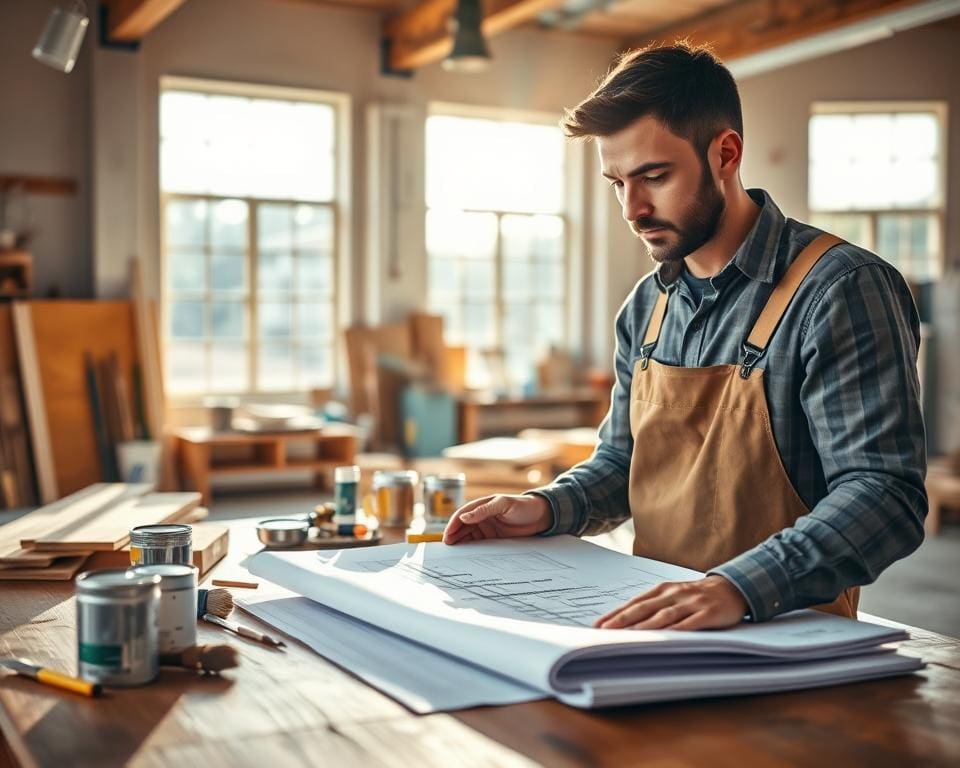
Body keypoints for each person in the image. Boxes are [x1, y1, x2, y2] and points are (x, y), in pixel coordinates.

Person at [442, 42, 927, 631]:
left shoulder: (840, 289)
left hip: (788, 639)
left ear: (725, 153)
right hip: (654, 632)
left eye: (654, 176)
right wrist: (545, 507)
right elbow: (624, 462)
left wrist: (739, 587)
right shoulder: (645, 306)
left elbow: (884, 493)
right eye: (617, 183)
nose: (632, 208)